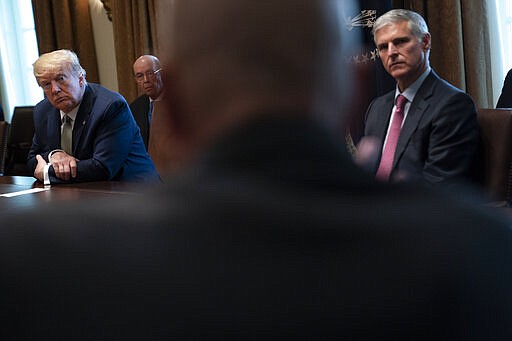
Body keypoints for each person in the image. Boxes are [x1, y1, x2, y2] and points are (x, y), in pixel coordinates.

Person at [1, 1, 512, 339]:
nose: (392, 53)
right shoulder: (483, 255)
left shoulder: (30, 265)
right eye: (382, 46)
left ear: (170, 107)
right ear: (353, 95)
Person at [359, 9, 481, 186]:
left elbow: (438, 184)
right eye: (383, 47)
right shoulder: (376, 107)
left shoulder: (452, 105)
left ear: (425, 42)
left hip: (416, 209)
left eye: (400, 42)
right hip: (370, 207)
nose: (391, 52)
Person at [27, 49, 159, 184]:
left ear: (80, 78)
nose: (55, 89)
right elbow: (32, 159)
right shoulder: (43, 111)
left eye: (60, 79)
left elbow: (102, 168)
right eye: (46, 84)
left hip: (135, 192)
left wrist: (47, 172)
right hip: (83, 194)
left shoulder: (110, 106)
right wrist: (53, 154)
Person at [129, 54, 164, 149]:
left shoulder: (180, 101)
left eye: (150, 73)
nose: (146, 80)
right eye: (140, 76)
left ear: (161, 73)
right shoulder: (134, 108)